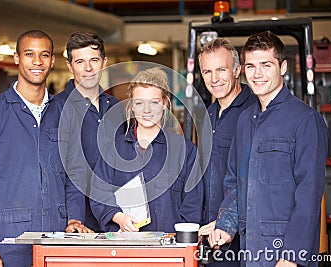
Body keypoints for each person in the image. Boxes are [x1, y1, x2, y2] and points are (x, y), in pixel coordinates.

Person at [0, 30, 90, 267]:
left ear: (52, 61)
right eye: (29, 54)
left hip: (58, 237)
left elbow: (74, 177)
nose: (37, 62)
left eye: (44, 55)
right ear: (16, 58)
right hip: (8, 241)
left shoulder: (67, 114)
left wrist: (74, 218)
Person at [209, 31, 328, 267]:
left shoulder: (305, 119)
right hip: (249, 248)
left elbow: (309, 194)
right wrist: (226, 225)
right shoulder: (244, 121)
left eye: (266, 65)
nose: (258, 74)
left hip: (285, 251)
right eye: (251, 66)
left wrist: (292, 256)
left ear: (283, 67)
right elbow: (234, 183)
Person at [90, 67, 203, 232]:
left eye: (154, 102)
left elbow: (192, 206)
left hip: (168, 252)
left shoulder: (185, 151)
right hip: (125, 248)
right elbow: (99, 192)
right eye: (139, 103)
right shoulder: (113, 149)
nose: (147, 110)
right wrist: (118, 217)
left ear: (165, 103)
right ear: (132, 106)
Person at [197, 37, 257, 266]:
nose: (214, 79)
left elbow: (252, 180)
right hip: (209, 234)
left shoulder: (253, 112)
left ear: (237, 70)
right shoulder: (208, 114)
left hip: (240, 235)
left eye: (221, 70)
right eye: (207, 71)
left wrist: (227, 221)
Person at [56, 31, 123, 232]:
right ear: (70, 66)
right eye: (80, 62)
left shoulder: (116, 107)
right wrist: (72, 218)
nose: (88, 68)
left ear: (104, 62)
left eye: (94, 60)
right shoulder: (56, 109)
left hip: (116, 216)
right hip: (76, 221)